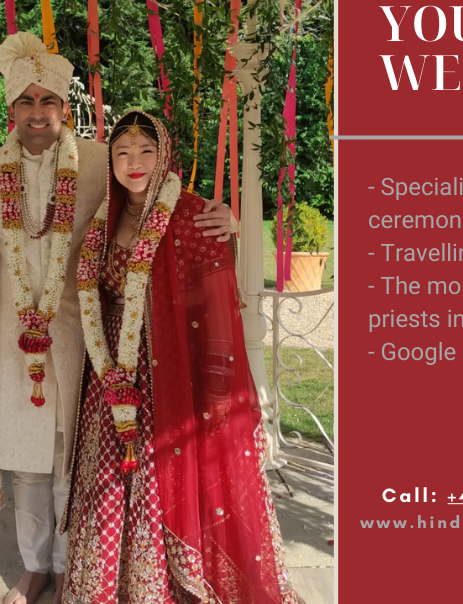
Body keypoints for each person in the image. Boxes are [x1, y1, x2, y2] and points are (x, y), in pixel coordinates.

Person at [0, 32, 233, 604]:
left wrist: (220, 214)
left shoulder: (99, 161)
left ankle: (73, 562)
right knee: (27, 461)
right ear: (12, 109)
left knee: (72, 456)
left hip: (81, 334)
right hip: (8, 336)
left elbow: (151, 190)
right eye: (26, 102)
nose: (37, 113)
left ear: (64, 107)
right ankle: (35, 566)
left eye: (48, 101)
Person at [63, 110, 302, 604]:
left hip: (171, 368)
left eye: (146, 151)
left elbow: (216, 298)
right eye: (122, 152)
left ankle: (166, 583)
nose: (134, 162)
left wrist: (215, 380)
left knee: (159, 469)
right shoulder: (104, 216)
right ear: (110, 161)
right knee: (111, 473)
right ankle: (110, 584)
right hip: (114, 368)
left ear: (165, 155)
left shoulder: (192, 214)